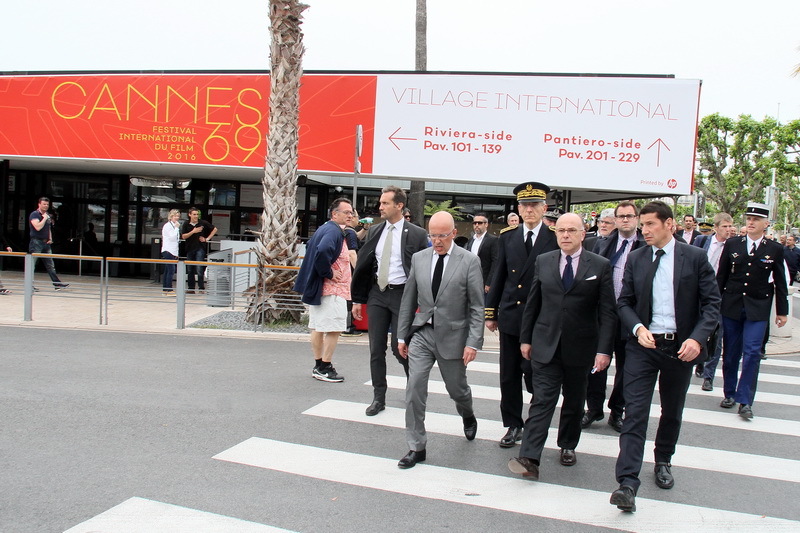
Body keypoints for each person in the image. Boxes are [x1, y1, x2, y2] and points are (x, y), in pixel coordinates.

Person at [610, 201, 720, 513]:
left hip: (680, 348)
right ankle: (627, 482)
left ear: (669, 224)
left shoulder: (695, 258)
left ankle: (663, 460)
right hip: (643, 347)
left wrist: (698, 339)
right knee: (635, 413)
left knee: (672, 410)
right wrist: (637, 327)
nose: (644, 231)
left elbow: (712, 304)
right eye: (642, 225)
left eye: (650, 225)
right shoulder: (636, 257)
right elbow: (625, 302)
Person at [507, 213, 615, 480]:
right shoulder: (544, 262)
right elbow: (533, 303)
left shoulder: (600, 266)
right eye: (560, 231)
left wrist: (604, 351)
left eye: (571, 231)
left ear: (582, 233)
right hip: (545, 344)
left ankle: (567, 444)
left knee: (575, 401)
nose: (565, 235)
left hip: (582, 347)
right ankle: (530, 457)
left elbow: (608, 312)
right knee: (542, 400)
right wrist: (526, 339)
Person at [395, 211, 484, 468]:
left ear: (453, 234)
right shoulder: (420, 259)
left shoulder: (469, 261)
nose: (437, 241)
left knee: (457, 390)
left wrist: (472, 342)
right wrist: (402, 334)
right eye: (432, 235)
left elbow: (477, 306)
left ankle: (467, 414)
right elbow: (408, 299)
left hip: (454, 335)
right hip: (423, 332)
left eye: (442, 236)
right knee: (414, 388)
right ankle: (416, 447)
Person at [485, 181, 558, 448]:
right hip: (513, 315)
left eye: (534, 205)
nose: (529, 210)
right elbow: (499, 275)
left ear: (544, 208)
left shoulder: (554, 237)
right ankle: (513, 424)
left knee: (534, 372)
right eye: (525, 205)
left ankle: (537, 422)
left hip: (540, 317)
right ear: (518, 208)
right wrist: (491, 312)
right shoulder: (508, 236)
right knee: (509, 374)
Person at [351, 186, 429, 416]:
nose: (380, 207)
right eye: (380, 203)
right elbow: (364, 267)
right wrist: (357, 299)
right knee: (376, 348)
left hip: (402, 295)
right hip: (377, 293)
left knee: (400, 348)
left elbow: (425, 268)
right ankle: (378, 398)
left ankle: (412, 390)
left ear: (399, 206)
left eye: (385, 203)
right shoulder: (375, 231)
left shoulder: (417, 234)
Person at [716, 202, 788, 419]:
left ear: (766, 224)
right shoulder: (733, 244)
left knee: (753, 353)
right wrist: (713, 305)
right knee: (730, 354)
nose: (751, 222)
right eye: (748, 219)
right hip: (732, 305)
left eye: (756, 220)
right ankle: (730, 392)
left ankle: (745, 400)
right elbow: (722, 276)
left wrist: (781, 311)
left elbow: (780, 282)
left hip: (758, 307)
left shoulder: (774, 249)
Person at [582, 200, 645, 432]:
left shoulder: (645, 245)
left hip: (632, 317)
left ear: (637, 219)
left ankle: (617, 410)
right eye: (621, 216)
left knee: (627, 368)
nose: (625, 220)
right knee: (597, 364)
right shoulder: (601, 244)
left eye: (630, 216)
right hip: (604, 315)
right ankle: (594, 408)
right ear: (615, 220)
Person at [293, 198, 354, 383]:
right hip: (332, 291)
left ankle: (319, 365)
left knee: (318, 328)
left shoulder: (325, 228)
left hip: (323, 290)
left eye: (351, 212)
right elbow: (322, 250)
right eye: (346, 212)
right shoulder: (333, 230)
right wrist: (328, 272)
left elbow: (314, 247)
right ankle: (325, 367)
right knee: (333, 330)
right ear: (334, 214)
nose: (350, 215)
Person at [693, 212, 734, 391]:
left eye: (730, 226)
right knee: (695, 329)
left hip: (719, 296)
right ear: (715, 228)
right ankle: (699, 359)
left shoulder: (733, 246)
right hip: (697, 293)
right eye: (724, 226)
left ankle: (709, 376)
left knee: (716, 335)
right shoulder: (702, 242)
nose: (728, 230)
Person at [28, 197, 69, 291]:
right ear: (39, 204)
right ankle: (29, 285)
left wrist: (50, 238)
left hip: (46, 242)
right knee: (32, 264)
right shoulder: (34, 214)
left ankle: (57, 284)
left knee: (50, 264)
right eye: (44, 204)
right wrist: (44, 218)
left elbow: (48, 227)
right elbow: (37, 227)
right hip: (36, 242)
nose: (46, 206)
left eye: (47, 204)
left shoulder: (48, 215)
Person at [181, 207, 217, 293]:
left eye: (197, 214)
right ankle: (191, 288)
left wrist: (207, 239)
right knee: (190, 269)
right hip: (190, 248)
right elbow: (183, 236)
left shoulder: (203, 223)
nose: (196, 216)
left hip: (200, 248)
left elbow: (214, 229)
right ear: (190, 215)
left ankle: (201, 287)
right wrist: (193, 231)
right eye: (194, 214)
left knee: (199, 268)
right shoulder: (186, 224)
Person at [465, 212, 498, 294]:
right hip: (470, 281)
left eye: (479, 223)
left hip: (484, 282)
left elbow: (495, 262)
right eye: (474, 223)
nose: (476, 225)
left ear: (486, 224)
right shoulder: (471, 241)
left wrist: (489, 283)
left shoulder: (493, 240)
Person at [341, 211, 362, 337]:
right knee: (349, 298)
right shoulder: (350, 232)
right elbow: (351, 253)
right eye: (357, 217)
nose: (358, 219)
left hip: (345, 270)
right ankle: (348, 327)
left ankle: (347, 326)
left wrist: (364, 229)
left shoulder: (349, 231)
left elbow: (357, 237)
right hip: (350, 271)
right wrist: (359, 270)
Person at [160, 209, 181, 295]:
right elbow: (172, 237)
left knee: (167, 270)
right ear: (171, 216)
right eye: (175, 216)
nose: (177, 218)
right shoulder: (168, 226)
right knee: (171, 270)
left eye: (178, 216)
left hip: (173, 250)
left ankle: (165, 288)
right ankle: (169, 289)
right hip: (168, 250)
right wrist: (176, 228)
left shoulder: (173, 226)